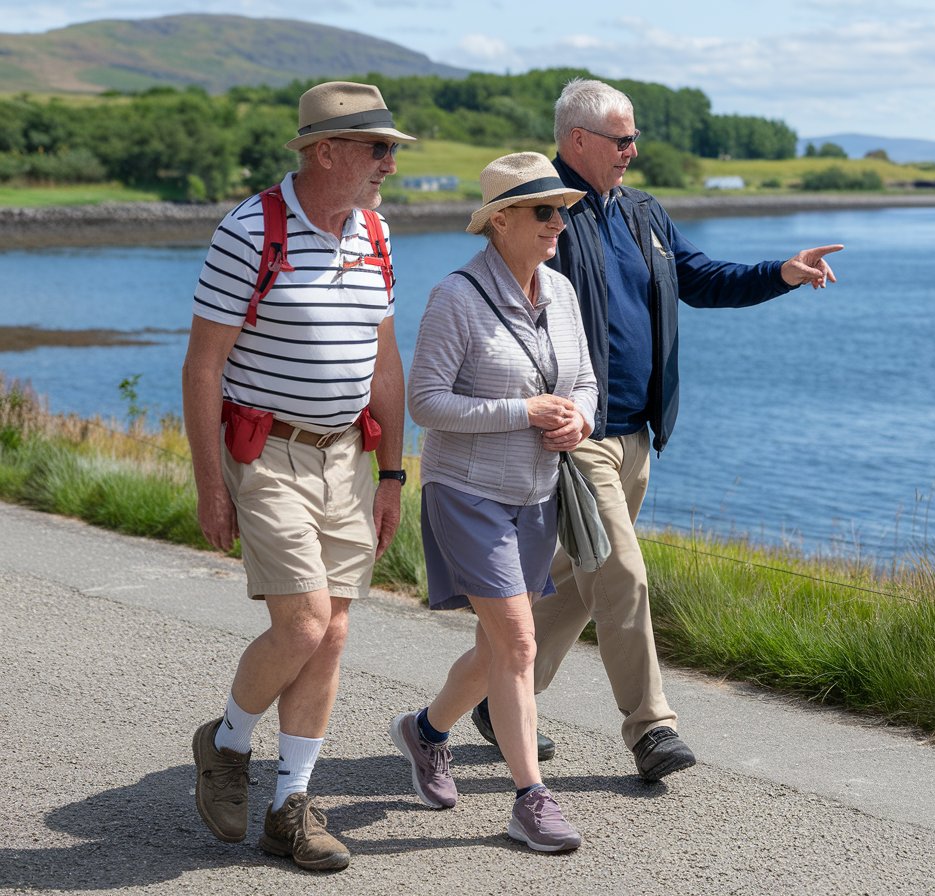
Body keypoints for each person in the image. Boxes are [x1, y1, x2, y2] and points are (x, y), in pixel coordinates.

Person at [472, 78, 843, 783]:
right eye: (622, 139)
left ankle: (497, 701)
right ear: (577, 140)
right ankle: (651, 730)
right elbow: (501, 310)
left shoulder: (642, 211)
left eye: (633, 137)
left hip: (637, 435)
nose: (633, 151)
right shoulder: (542, 212)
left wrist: (783, 273)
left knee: (580, 585)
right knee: (623, 574)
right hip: (573, 433)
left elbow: (698, 277)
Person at [183, 80, 413, 872]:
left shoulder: (376, 234)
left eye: (390, 150)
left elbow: (385, 363)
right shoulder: (249, 232)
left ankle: (290, 807)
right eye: (377, 148)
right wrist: (212, 486)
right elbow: (203, 367)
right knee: (305, 624)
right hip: (267, 455)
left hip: (348, 459)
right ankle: (226, 741)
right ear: (326, 152)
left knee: (334, 633)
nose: (389, 162)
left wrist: (392, 474)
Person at [390, 152, 596, 853]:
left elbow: (587, 382)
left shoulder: (562, 293)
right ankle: (530, 800)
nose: (558, 225)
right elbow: (426, 404)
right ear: (500, 220)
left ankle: (425, 731)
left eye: (562, 211)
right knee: (519, 642)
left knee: (494, 649)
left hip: (538, 495)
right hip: (467, 493)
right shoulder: (455, 296)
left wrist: (580, 420)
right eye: (544, 212)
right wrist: (525, 411)